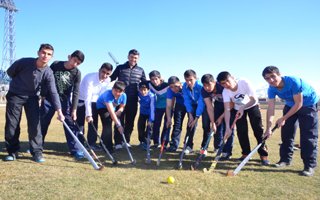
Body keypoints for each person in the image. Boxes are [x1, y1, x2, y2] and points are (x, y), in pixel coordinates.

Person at [4, 43, 64, 162]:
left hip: (32, 98)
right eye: (43, 52)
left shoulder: (48, 72)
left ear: (51, 57)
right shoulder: (24, 62)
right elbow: (10, 72)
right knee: (12, 124)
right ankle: (12, 151)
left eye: (49, 54)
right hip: (15, 95)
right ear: (38, 53)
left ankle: (36, 152)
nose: (45, 56)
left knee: (35, 125)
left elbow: (53, 92)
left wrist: (59, 111)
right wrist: (18, 84)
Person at [262, 66, 319, 176]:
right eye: (267, 78)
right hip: (290, 105)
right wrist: (268, 128)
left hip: (308, 105)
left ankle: (309, 166)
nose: (271, 80)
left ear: (280, 74)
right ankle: (285, 160)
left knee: (308, 136)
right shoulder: (271, 88)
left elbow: (299, 104)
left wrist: (283, 118)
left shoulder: (294, 82)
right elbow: (271, 108)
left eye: (273, 76)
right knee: (286, 133)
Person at [217, 71, 269, 165]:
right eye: (223, 83)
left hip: (252, 106)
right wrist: (228, 127)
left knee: (258, 130)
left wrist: (243, 107)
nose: (227, 85)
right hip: (238, 109)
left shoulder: (244, 82)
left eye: (227, 81)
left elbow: (254, 99)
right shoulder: (225, 92)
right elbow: (227, 109)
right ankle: (245, 153)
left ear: (232, 77)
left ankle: (263, 155)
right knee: (241, 132)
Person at [40, 50, 85, 159]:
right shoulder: (56, 64)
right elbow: (45, 79)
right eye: (74, 60)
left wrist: (74, 109)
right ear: (69, 56)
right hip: (49, 99)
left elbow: (76, 92)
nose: (75, 64)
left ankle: (75, 150)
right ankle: (37, 146)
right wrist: (42, 95)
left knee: (70, 124)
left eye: (78, 63)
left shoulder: (77, 73)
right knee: (43, 122)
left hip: (64, 101)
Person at [110, 49, 146, 147]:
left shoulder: (141, 70)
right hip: (119, 100)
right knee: (119, 121)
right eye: (131, 57)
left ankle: (126, 141)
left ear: (138, 59)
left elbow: (144, 84)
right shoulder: (120, 68)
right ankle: (117, 142)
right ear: (128, 57)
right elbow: (111, 78)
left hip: (133, 100)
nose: (133, 59)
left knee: (130, 122)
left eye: (135, 58)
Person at [77, 62, 113, 150]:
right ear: (99, 70)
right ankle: (79, 145)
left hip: (94, 101)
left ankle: (91, 143)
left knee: (93, 123)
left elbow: (102, 95)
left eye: (108, 74)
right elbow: (87, 97)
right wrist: (88, 114)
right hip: (81, 100)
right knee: (80, 123)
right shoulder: (90, 78)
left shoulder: (108, 80)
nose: (105, 75)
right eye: (103, 72)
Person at [201, 74, 234, 160]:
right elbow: (209, 107)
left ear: (214, 82)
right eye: (205, 85)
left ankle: (227, 152)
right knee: (217, 126)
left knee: (229, 128)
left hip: (230, 105)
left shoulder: (222, 87)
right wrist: (213, 122)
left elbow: (231, 104)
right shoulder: (203, 91)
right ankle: (219, 148)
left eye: (209, 85)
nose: (207, 88)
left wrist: (221, 117)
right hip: (219, 104)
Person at [96, 81, 127, 153]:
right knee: (107, 124)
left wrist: (118, 112)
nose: (117, 93)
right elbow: (111, 113)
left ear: (123, 91)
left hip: (114, 109)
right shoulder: (108, 95)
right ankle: (108, 147)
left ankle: (102, 143)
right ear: (112, 88)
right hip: (102, 107)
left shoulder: (124, 96)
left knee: (118, 121)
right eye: (115, 90)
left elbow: (122, 107)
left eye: (120, 92)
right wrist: (119, 125)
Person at [182, 69, 205, 154]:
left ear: (195, 78)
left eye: (191, 80)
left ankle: (204, 147)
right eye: (187, 80)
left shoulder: (200, 86)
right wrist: (190, 114)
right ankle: (189, 146)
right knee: (190, 125)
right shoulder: (184, 86)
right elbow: (187, 101)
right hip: (193, 105)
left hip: (205, 104)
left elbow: (201, 102)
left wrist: (197, 117)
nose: (189, 82)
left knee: (206, 125)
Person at [148, 70, 170, 148]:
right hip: (158, 107)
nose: (154, 81)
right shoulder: (150, 84)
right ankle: (156, 143)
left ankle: (165, 143)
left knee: (166, 125)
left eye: (156, 79)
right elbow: (142, 83)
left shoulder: (167, 85)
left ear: (160, 78)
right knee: (156, 125)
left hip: (168, 107)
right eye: (152, 79)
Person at [166, 76, 187, 152]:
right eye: (171, 87)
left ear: (180, 83)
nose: (174, 89)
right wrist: (168, 118)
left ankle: (188, 145)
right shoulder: (169, 90)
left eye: (175, 86)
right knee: (177, 125)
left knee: (191, 125)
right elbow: (168, 106)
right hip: (179, 105)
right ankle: (174, 145)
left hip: (191, 105)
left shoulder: (186, 87)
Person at [137, 81, 155, 150]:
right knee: (140, 127)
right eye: (141, 90)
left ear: (148, 89)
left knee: (149, 129)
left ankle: (147, 143)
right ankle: (141, 141)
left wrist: (150, 120)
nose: (143, 92)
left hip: (150, 114)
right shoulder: (139, 93)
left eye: (145, 90)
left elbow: (152, 108)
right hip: (142, 113)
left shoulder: (151, 96)